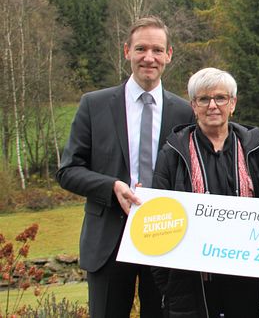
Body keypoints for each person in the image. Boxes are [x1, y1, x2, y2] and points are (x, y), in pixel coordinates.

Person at [56, 16, 194, 318]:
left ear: (169, 55)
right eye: (141, 49)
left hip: (165, 238)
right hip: (108, 238)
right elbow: (68, 170)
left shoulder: (184, 111)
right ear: (126, 51)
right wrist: (111, 187)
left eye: (157, 50)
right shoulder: (94, 105)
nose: (149, 57)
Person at [151, 67, 259, 318]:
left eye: (220, 98)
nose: (212, 105)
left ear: (232, 103)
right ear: (193, 105)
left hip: (247, 276)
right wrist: (168, 284)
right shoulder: (173, 153)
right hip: (193, 282)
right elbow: (158, 219)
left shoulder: (256, 148)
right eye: (204, 99)